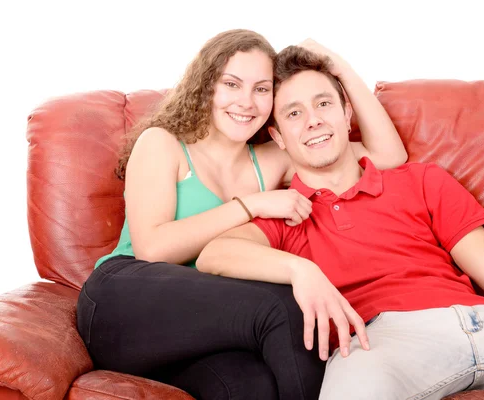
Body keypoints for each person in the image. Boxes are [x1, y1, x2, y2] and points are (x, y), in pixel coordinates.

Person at [195, 45, 484, 400]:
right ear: (278, 137)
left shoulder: (422, 180)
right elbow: (214, 254)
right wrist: (300, 270)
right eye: (294, 114)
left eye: (323, 103)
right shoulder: (285, 212)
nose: (313, 121)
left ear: (346, 114)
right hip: (385, 344)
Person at [76, 29, 408, 400]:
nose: (246, 102)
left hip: (202, 330)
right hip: (123, 304)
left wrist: (340, 69)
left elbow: (389, 158)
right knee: (282, 306)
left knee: (252, 388)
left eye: (262, 89)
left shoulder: (272, 160)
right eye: (232, 84)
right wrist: (251, 206)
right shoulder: (162, 143)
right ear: (205, 86)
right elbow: (152, 249)